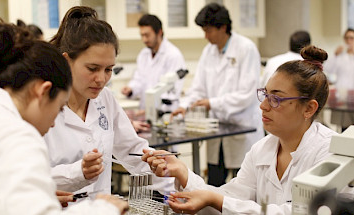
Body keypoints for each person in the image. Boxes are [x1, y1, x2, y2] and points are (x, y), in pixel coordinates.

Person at [142, 45, 336, 215]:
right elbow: (231, 197)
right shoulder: (262, 149)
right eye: (265, 95)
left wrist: (218, 201)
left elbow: (299, 212)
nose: (263, 106)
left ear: (309, 108)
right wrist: (183, 173)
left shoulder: (329, 151)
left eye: (276, 99)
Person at [0, 18, 127, 214]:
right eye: (60, 107)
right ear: (42, 92)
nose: (54, 124)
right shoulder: (18, 137)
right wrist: (106, 208)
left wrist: (39, 197)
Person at [44, 6, 173, 198]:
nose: (101, 79)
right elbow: (27, 178)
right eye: (92, 68)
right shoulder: (43, 105)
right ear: (67, 61)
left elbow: (132, 150)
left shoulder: (104, 99)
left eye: (108, 69)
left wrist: (161, 168)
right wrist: (77, 172)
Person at [170, 3, 264, 186]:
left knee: (243, 186)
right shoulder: (209, 51)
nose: (205, 36)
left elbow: (247, 94)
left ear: (223, 27)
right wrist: (184, 105)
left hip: (242, 128)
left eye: (208, 30)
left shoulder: (246, 48)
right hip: (217, 130)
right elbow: (198, 88)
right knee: (214, 183)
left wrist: (211, 103)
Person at [121, 14, 186, 132]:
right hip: (146, 117)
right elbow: (139, 80)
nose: (144, 39)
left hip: (165, 117)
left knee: (165, 148)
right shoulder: (143, 54)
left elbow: (172, 92)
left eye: (147, 35)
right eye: (142, 35)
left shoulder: (173, 55)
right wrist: (131, 89)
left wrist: (151, 110)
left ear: (159, 32)